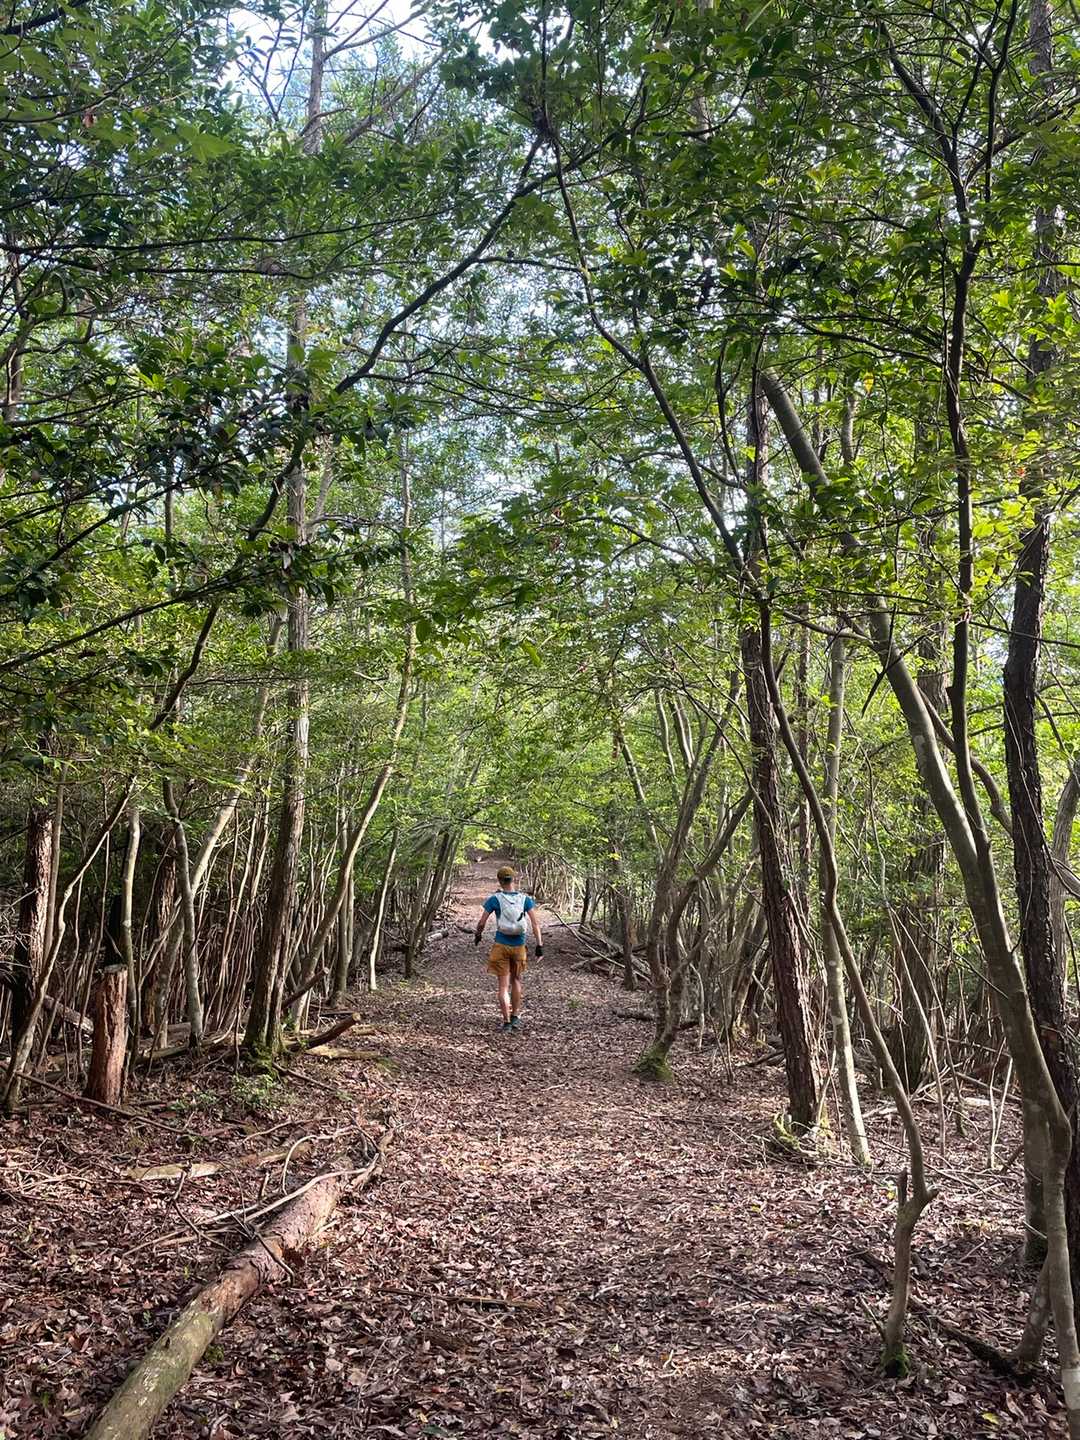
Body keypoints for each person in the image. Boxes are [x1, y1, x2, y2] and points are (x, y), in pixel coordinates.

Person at [474, 864, 542, 1032]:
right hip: (519, 946)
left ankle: (506, 1022)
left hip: (501, 945)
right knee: (516, 980)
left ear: (499, 881)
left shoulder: (495, 899)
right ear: (513, 879)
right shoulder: (525, 899)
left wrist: (478, 934)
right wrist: (539, 945)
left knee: (503, 986)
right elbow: (535, 924)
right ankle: (515, 1016)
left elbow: (482, 922)